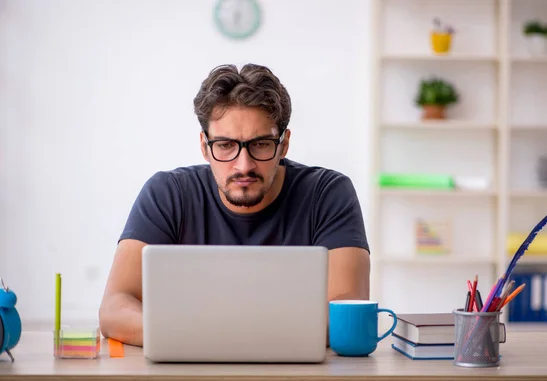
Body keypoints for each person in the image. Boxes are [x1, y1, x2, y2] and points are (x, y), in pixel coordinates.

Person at [98, 63, 370, 347]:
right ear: (205, 146)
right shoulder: (167, 193)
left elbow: (347, 311)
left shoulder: (328, 194)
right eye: (226, 145)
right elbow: (114, 308)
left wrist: (220, 336)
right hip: (189, 375)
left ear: (284, 145)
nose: (244, 165)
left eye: (261, 144)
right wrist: (207, 337)